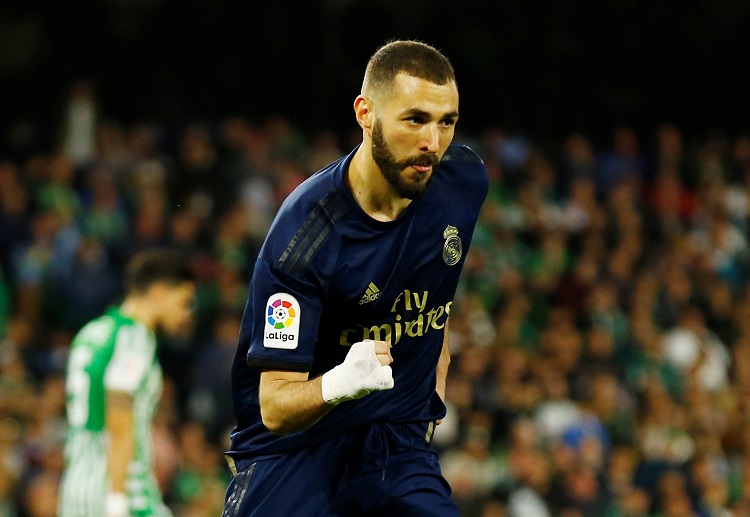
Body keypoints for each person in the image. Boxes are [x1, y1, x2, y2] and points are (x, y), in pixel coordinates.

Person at [222, 39, 488, 516]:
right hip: (297, 452)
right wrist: (341, 382)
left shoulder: (462, 183)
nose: (433, 142)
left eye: (446, 121)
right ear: (366, 113)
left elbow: (435, 295)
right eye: (415, 119)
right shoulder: (305, 236)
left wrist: (432, 388)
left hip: (397, 449)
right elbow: (274, 406)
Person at [58, 250, 194, 517]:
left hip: (76, 489)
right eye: (183, 302)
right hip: (122, 490)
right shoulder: (134, 339)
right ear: (158, 292)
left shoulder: (92, 331)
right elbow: (119, 422)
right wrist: (117, 502)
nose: (186, 313)